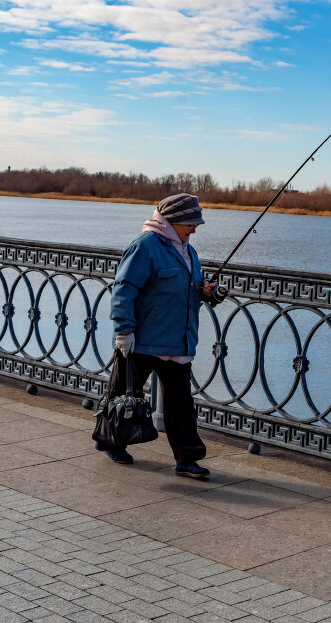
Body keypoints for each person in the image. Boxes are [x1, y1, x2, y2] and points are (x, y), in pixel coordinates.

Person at [104, 193, 226, 478]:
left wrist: (205, 289)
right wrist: (123, 330)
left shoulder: (188, 250)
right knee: (123, 396)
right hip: (141, 339)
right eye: (190, 223)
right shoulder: (145, 246)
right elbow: (123, 289)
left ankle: (187, 459)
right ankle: (111, 441)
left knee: (181, 404)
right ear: (172, 221)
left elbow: (189, 285)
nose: (195, 229)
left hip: (178, 340)